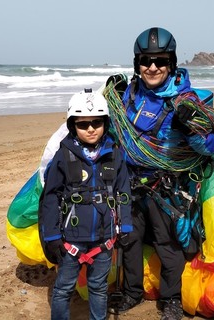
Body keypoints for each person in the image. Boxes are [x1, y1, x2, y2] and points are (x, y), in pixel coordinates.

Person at [105, 27, 214, 320]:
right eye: (146, 60)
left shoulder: (186, 101)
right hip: (129, 183)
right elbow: (114, 134)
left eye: (160, 61)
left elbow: (209, 149)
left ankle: (171, 299)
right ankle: (131, 292)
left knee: (168, 244)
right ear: (136, 63)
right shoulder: (128, 95)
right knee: (129, 240)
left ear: (172, 63)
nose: (152, 67)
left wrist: (191, 128)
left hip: (166, 188)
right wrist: (110, 102)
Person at [39, 88, 133, 320]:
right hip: (71, 239)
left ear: (105, 123)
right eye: (83, 124)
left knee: (99, 287)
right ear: (73, 126)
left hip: (104, 239)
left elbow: (123, 192)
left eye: (96, 123)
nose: (90, 128)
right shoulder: (64, 156)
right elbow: (51, 197)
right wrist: (51, 236)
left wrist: (126, 226)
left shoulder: (114, 155)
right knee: (64, 288)